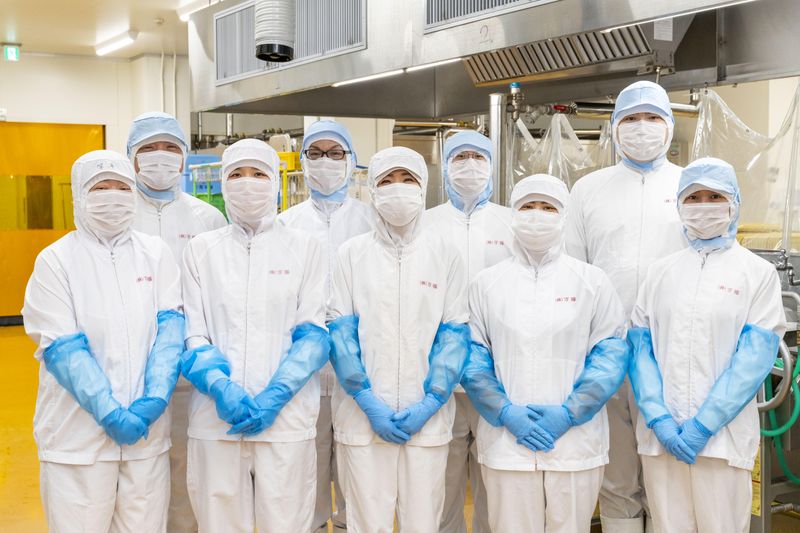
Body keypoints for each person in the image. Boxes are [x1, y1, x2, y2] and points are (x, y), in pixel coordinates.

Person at [22, 150, 185, 533]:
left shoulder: (155, 254)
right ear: (80, 195)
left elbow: (170, 332)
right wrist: (110, 412)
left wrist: (153, 401)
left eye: (122, 187)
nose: (113, 196)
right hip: (77, 441)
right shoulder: (56, 260)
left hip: (146, 438)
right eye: (100, 188)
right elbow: (63, 349)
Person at [462, 174, 630, 532]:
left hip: (575, 442)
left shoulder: (592, 281)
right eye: (528, 206)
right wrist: (505, 412)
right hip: (508, 442)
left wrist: (569, 413)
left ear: (563, 216)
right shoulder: (487, 284)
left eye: (548, 207)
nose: (537, 215)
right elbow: (473, 358)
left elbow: (610, 355)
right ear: (513, 214)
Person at [629, 157, 786, 533]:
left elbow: (753, 359)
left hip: (721, 441)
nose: (704, 206)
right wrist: (659, 418)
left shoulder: (757, 273)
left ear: (734, 203)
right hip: (662, 439)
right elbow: (639, 352)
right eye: (693, 197)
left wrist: (704, 424)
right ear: (679, 205)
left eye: (714, 197)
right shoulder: (660, 272)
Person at [179, 139, 329, 532]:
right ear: (223, 184)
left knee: (287, 522)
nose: (248, 184)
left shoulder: (305, 248)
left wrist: (276, 394)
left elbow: (313, 333)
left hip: (287, 420)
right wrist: (220, 387)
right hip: (216, 421)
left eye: (258, 174)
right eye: (237, 175)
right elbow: (194, 335)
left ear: (275, 182)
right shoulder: (201, 250)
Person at [328, 146, 470, 532]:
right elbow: (340, 335)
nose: (398, 188)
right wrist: (366, 400)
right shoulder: (351, 255)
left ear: (422, 187)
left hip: (427, 421)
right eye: (387, 180)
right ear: (372, 190)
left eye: (407, 179)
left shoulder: (445, 254)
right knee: (365, 523)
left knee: (423, 522)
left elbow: (454, 336)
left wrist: (431, 401)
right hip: (362, 419)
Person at [565, 80, 686, 533]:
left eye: (652, 118)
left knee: (666, 471)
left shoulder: (691, 186)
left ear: (669, 126)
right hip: (606, 348)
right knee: (615, 472)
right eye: (631, 119)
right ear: (614, 127)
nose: (641, 128)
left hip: (671, 350)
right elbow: (573, 272)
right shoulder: (588, 190)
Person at [127, 111, 227, 533]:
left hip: (190, 368)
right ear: (131, 157)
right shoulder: (119, 210)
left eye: (170, 147)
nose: (160, 156)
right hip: (131, 365)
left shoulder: (207, 218)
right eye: (149, 148)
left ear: (184, 157)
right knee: (138, 469)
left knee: (188, 465)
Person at [277, 119, 371, 532]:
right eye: (315, 153)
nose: (326, 162)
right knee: (303, 475)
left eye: (335, 153)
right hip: (303, 374)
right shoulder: (285, 223)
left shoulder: (372, 220)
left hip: (361, 373)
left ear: (351, 161)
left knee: (359, 475)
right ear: (303, 161)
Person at [424, 130, 513, 533]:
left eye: (479, 157)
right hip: (438, 374)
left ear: (492, 166)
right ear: (445, 167)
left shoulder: (511, 222)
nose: (469, 165)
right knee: (442, 481)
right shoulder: (426, 223)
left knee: (494, 478)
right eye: (460, 157)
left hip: (498, 371)